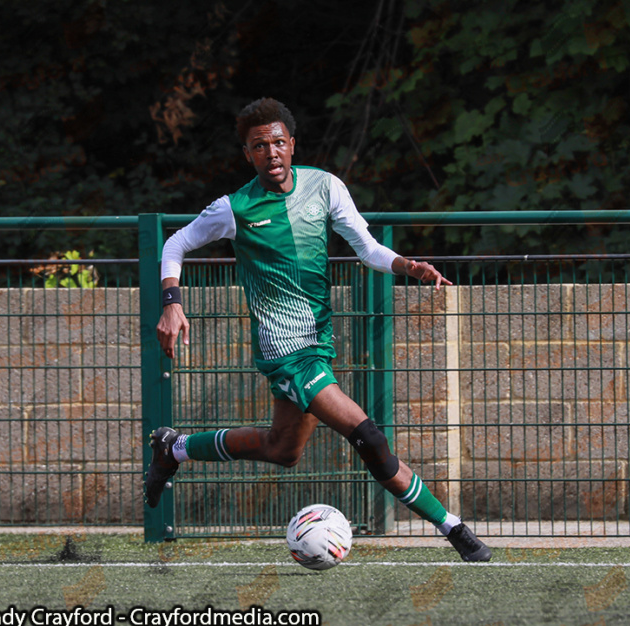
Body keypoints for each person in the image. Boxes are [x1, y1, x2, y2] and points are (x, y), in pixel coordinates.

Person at [146, 97, 491, 562]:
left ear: (292, 145)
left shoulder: (325, 186)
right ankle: (454, 530)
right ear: (247, 154)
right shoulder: (235, 207)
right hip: (286, 352)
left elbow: (367, 249)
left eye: (278, 142)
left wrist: (409, 266)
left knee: (282, 449)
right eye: (258, 146)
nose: (270, 152)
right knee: (368, 436)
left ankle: (175, 448)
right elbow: (175, 243)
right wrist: (172, 303)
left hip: (317, 344)